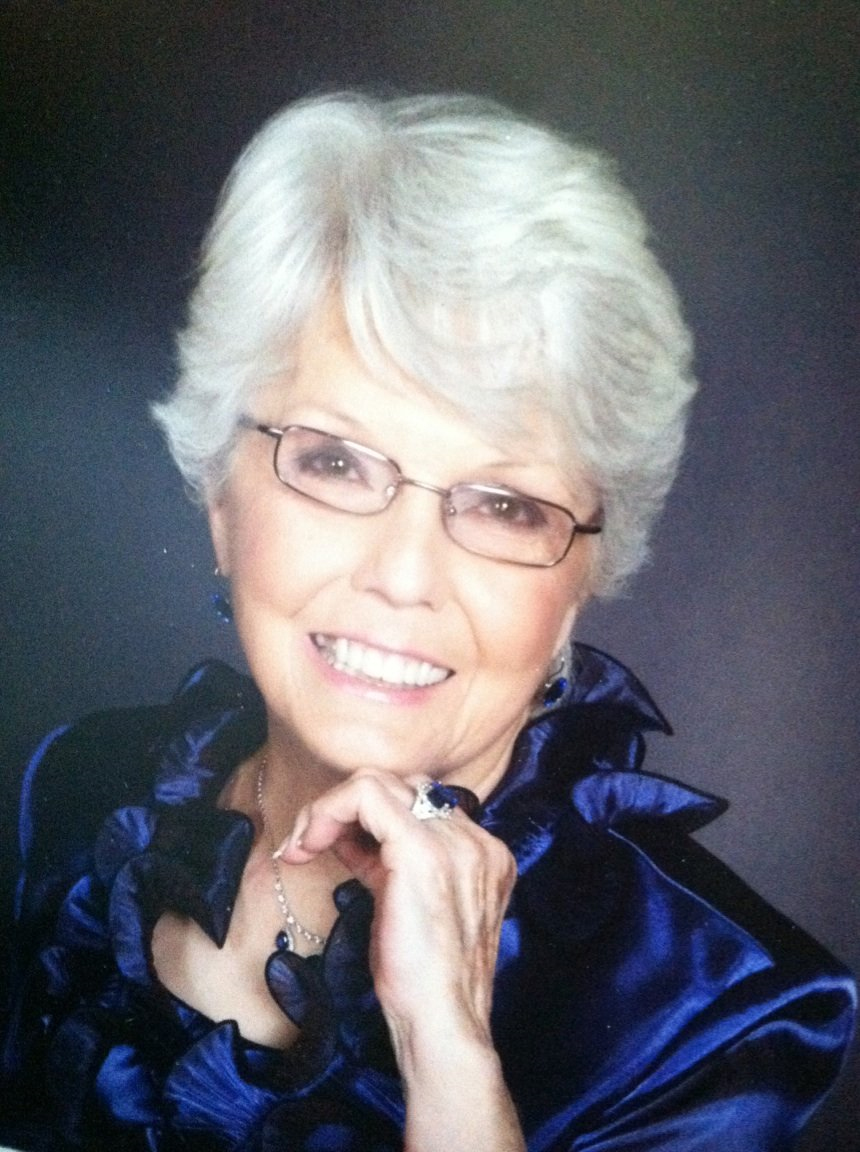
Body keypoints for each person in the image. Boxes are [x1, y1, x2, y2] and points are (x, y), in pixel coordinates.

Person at [0, 91, 854, 1152]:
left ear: (582, 578)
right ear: (221, 501)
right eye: (334, 462)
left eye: (505, 506)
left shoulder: (721, 1011)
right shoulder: (74, 788)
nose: (405, 577)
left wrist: (446, 1049)